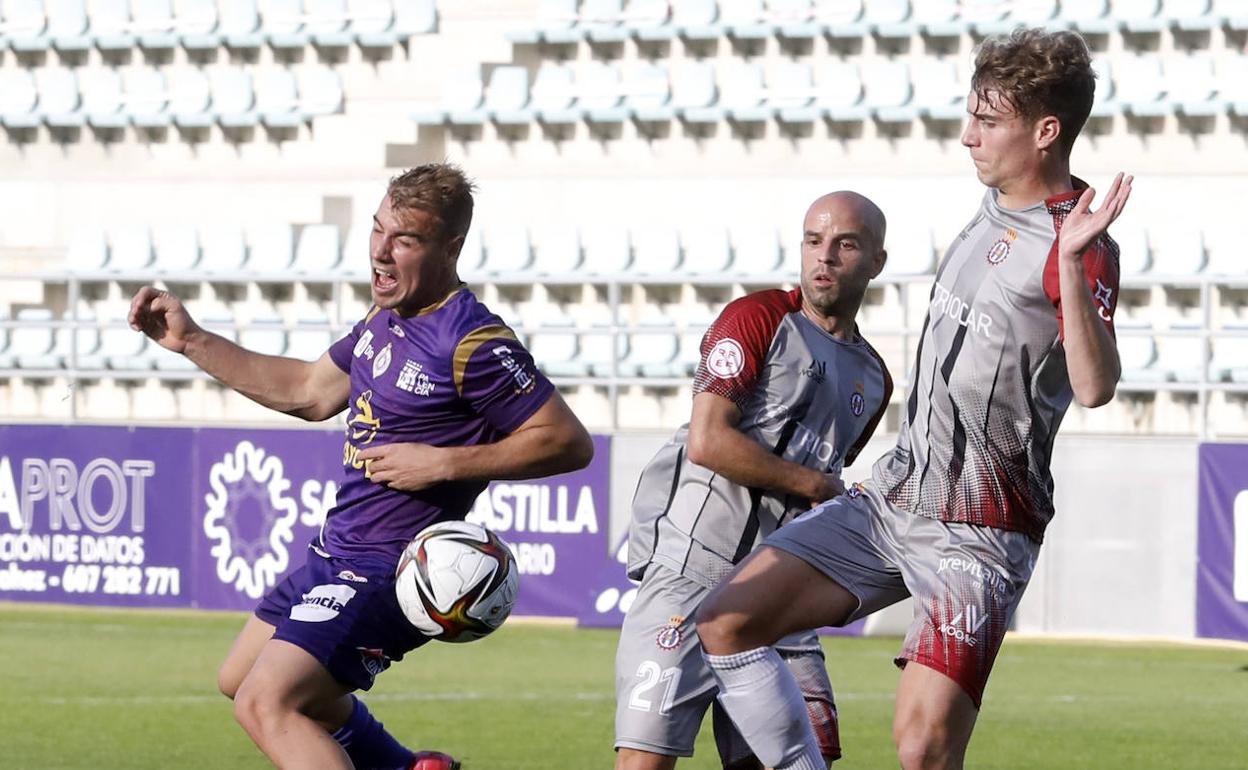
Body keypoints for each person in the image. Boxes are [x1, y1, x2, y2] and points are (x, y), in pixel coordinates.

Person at [694, 28, 1133, 770]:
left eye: (987, 121)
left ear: (1045, 131)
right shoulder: (991, 206)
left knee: (923, 747)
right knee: (726, 621)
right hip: (897, 497)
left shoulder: (1077, 240)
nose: (967, 137)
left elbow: (1094, 386)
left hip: (979, 530)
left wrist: (1071, 257)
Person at [128, 163, 594, 770]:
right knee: (238, 680)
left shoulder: (473, 342)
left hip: (390, 568)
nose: (380, 251)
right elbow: (307, 390)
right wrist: (192, 341)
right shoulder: (385, 320)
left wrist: (444, 464)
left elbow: (567, 441)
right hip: (333, 552)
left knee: (268, 703)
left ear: (450, 248)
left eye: (404, 239)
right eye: (378, 230)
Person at [614, 191, 895, 770]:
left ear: (876, 261)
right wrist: (816, 486)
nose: (825, 257)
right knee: (643, 764)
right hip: (690, 579)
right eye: (814, 242)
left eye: (845, 244)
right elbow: (709, 440)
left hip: (774, 604)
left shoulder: (875, 378)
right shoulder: (758, 317)